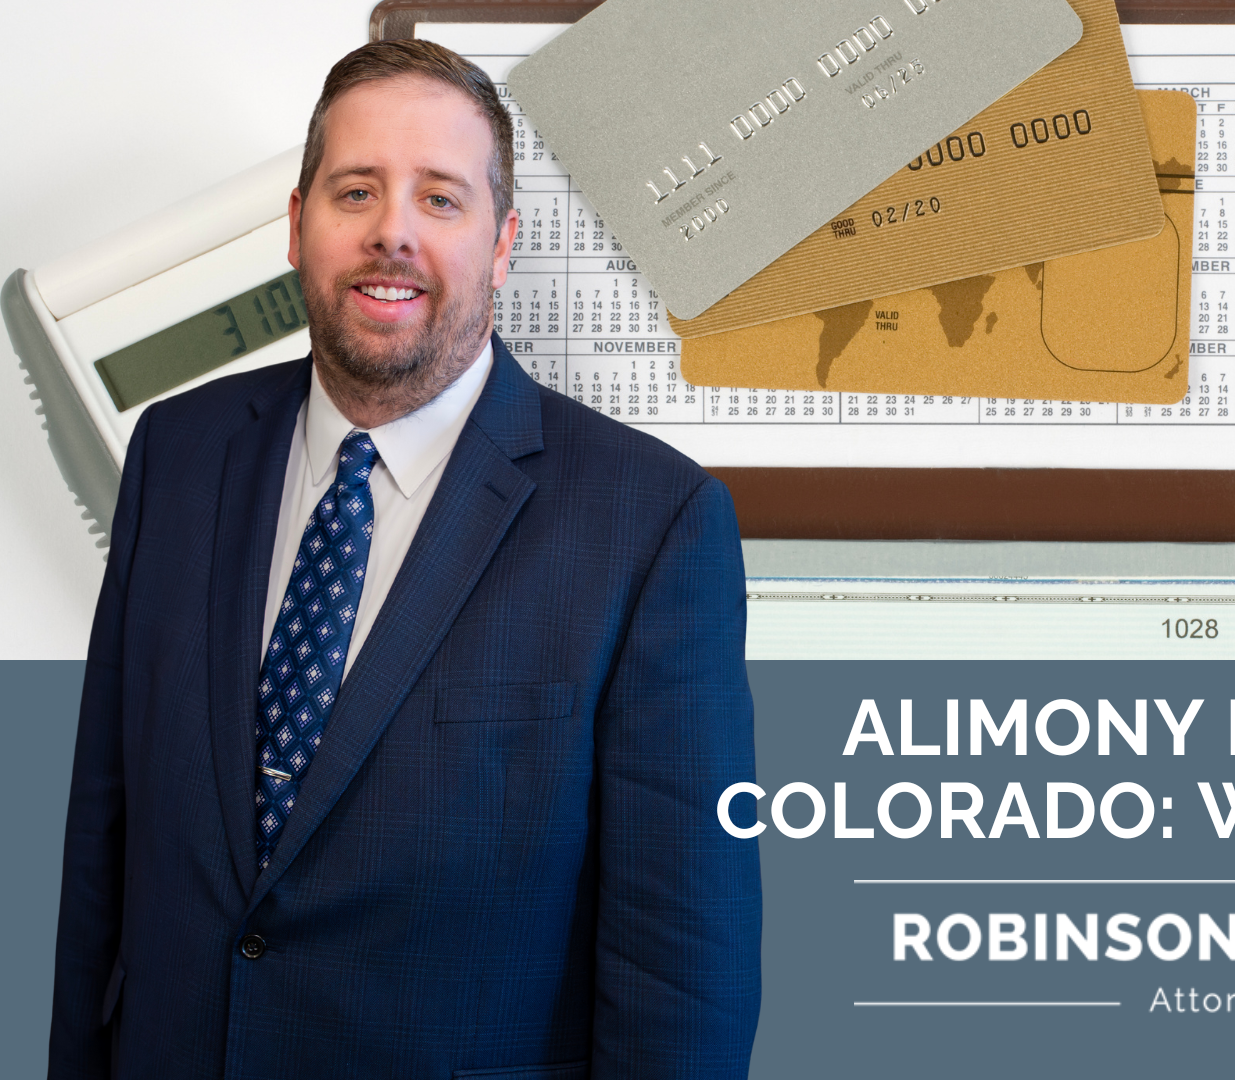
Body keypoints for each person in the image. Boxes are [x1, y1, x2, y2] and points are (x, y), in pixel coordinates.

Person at [48, 40, 760, 1078]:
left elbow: (682, 971)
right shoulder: (177, 453)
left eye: (440, 199)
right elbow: (100, 849)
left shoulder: (649, 522)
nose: (392, 233)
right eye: (355, 192)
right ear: (298, 228)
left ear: (503, 244)